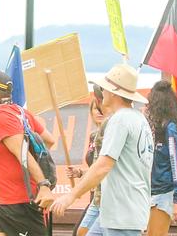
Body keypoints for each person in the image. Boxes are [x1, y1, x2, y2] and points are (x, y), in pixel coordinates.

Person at [50, 64, 154, 236]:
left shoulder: (119, 120)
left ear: (113, 92)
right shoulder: (139, 119)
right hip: (123, 209)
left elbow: (103, 165)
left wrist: (71, 196)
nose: (101, 93)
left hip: (121, 212)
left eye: (104, 89)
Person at [0, 71, 56, 236]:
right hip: (2, 203)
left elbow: (23, 153)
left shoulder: (1, 116)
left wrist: (43, 185)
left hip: (21, 204)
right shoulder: (20, 112)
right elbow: (48, 140)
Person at [146, 80, 177, 236]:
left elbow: (176, 162)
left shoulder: (171, 128)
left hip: (165, 192)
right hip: (154, 191)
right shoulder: (159, 127)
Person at [75, 93, 108, 236]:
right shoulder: (93, 136)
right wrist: (80, 173)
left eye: (101, 108)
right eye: (96, 109)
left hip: (107, 194)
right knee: (80, 232)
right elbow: (94, 165)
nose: (99, 112)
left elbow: (105, 165)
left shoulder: (112, 133)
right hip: (95, 194)